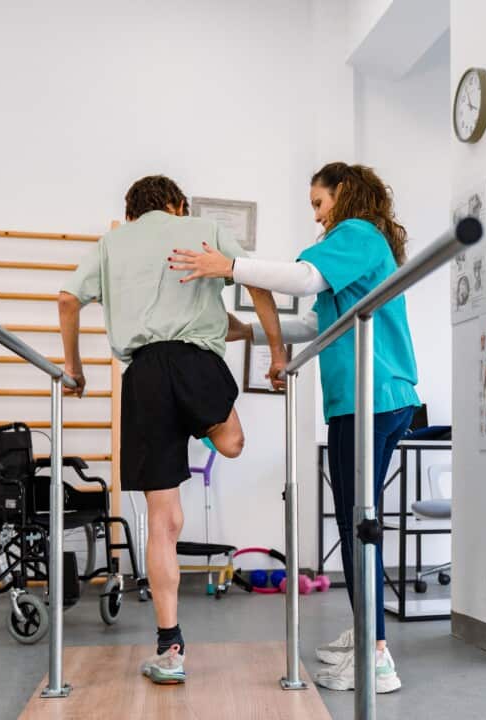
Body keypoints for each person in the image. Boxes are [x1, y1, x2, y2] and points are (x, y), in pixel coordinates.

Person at [167, 161, 418, 694]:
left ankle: (378, 658)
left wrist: (230, 266)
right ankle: (367, 633)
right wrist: (248, 330)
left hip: (371, 398)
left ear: (344, 194)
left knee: (358, 526)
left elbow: (303, 280)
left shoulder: (357, 233)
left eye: (318, 203)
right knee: (358, 523)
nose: (317, 215)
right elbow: (314, 322)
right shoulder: (363, 245)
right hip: (375, 398)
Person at [58, 174, 287, 685]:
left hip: (142, 376)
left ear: (133, 211)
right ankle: (199, 422)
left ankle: (170, 649)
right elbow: (256, 279)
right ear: (177, 205)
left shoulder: (112, 243)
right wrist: (275, 352)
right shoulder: (200, 227)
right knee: (232, 443)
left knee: (164, 522)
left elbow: (68, 300)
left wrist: (74, 368)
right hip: (195, 362)